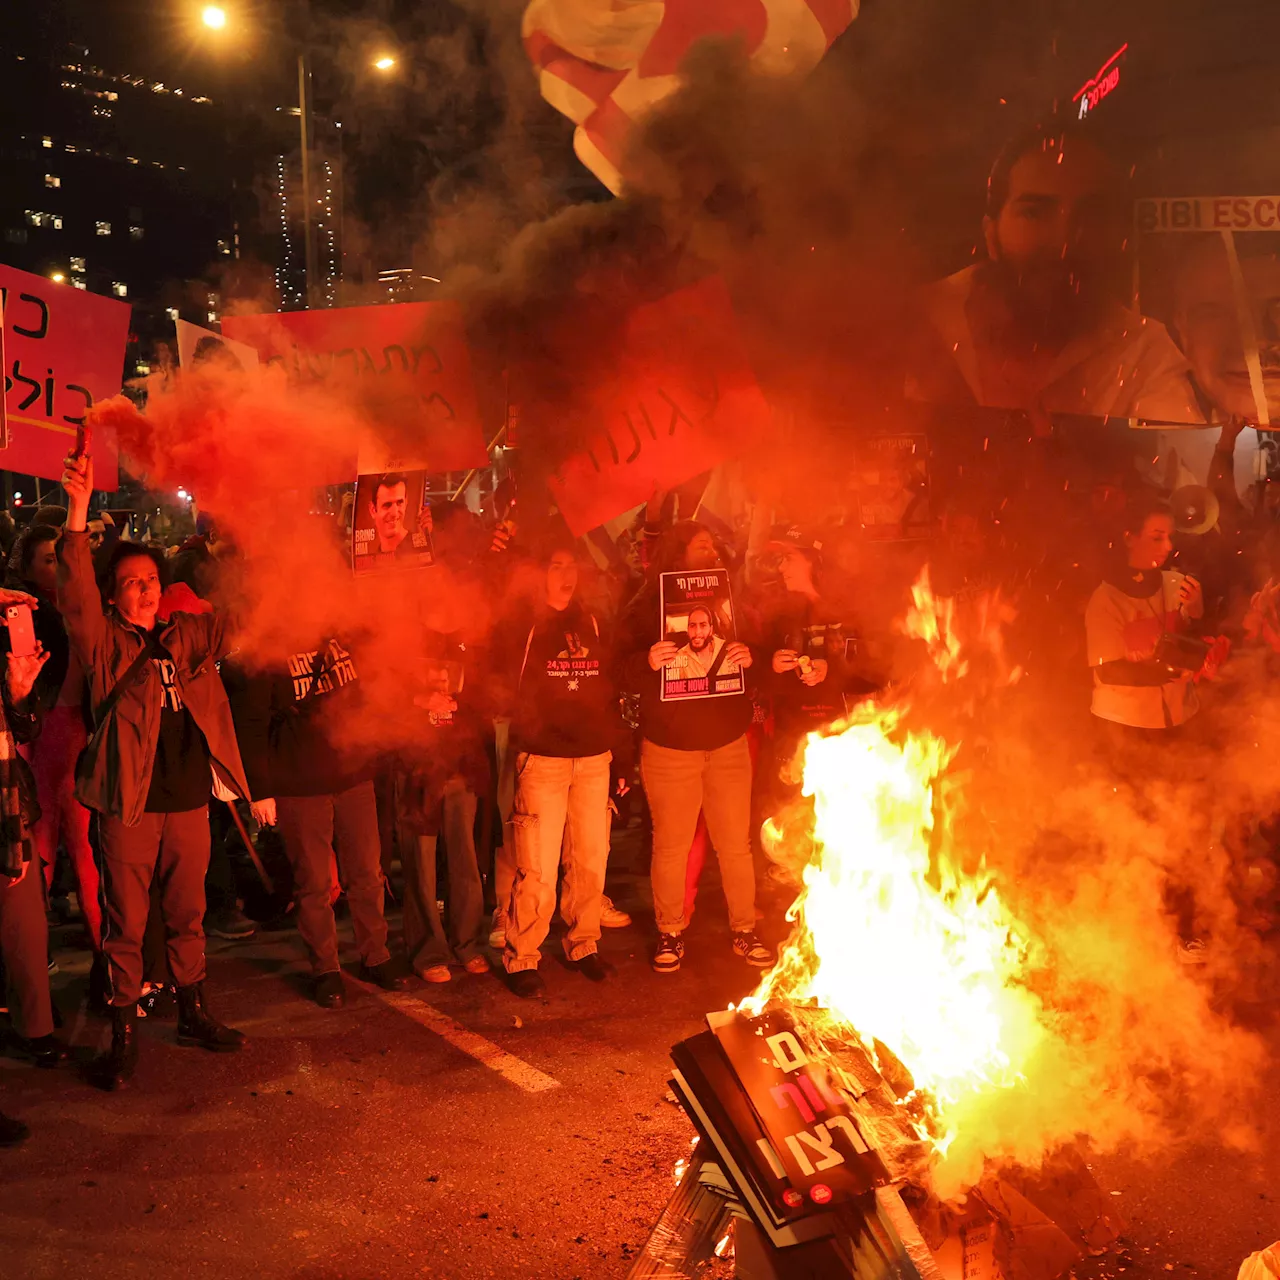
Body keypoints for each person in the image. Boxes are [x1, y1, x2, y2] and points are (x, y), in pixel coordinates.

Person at [58, 452, 251, 1091]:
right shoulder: (103, 643)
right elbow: (76, 592)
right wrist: (80, 511)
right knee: (127, 925)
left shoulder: (182, 635)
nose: (143, 588)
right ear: (114, 595)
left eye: (150, 579)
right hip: (128, 808)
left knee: (188, 911)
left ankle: (194, 1010)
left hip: (188, 803)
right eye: (131, 581)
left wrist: (262, 539)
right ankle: (122, 1036)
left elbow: (235, 624)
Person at [910, 128, 1200, 424]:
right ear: (991, 233)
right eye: (1034, 213)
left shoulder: (1143, 353)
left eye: (1090, 216)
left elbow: (1176, 458)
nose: (1063, 242)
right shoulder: (915, 319)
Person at [223, 637, 410, 1009]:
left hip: (353, 774)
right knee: (313, 883)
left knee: (367, 874)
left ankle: (376, 955)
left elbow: (372, 695)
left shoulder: (342, 635)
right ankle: (325, 969)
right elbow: (252, 723)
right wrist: (260, 791)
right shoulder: (270, 647)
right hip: (299, 783)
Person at [621, 521, 771, 975]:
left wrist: (752, 659)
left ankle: (744, 929)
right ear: (678, 554)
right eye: (701, 546)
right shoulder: (647, 605)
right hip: (670, 749)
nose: (710, 553)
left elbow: (759, 658)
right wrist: (646, 661)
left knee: (736, 846)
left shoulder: (731, 602)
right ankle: (670, 931)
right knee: (671, 846)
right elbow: (618, 671)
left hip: (726, 743)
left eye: (713, 546)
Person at [497, 539, 631, 996]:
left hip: (593, 758)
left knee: (591, 857)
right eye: (555, 565)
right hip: (544, 759)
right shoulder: (524, 624)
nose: (565, 575)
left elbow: (608, 689)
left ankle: (583, 943)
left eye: (571, 566)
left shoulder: (591, 621)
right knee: (537, 867)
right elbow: (501, 683)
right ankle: (523, 957)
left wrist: (619, 755)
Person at [7, 523, 107, 1007]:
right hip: (39, 748)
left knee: (92, 861)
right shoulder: (20, 614)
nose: (56, 568)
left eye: (59, 559)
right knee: (36, 864)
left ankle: (107, 965)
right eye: (47, 560)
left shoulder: (85, 609)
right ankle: (32, 978)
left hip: (79, 749)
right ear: (24, 566)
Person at [0, 587, 65, 1072]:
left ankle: (34, 1029)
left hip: (5, 802)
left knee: (25, 925)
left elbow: (24, 728)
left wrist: (19, 691)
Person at [1085, 497, 1205, 733]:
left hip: (1182, 715)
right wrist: (1171, 672)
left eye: (1171, 537)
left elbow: (1197, 644)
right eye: (1157, 537)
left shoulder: (1178, 586)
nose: (1169, 546)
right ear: (1129, 537)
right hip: (1126, 723)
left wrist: (1197, 612)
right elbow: (1108, 670)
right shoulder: (1107, 599)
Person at [368, 473, 430, 559]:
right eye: (387, 505)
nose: (394, 513)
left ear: (406, 502)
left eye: (399, 503)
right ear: (373, 510)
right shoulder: (373, 559)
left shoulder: (421, 548)